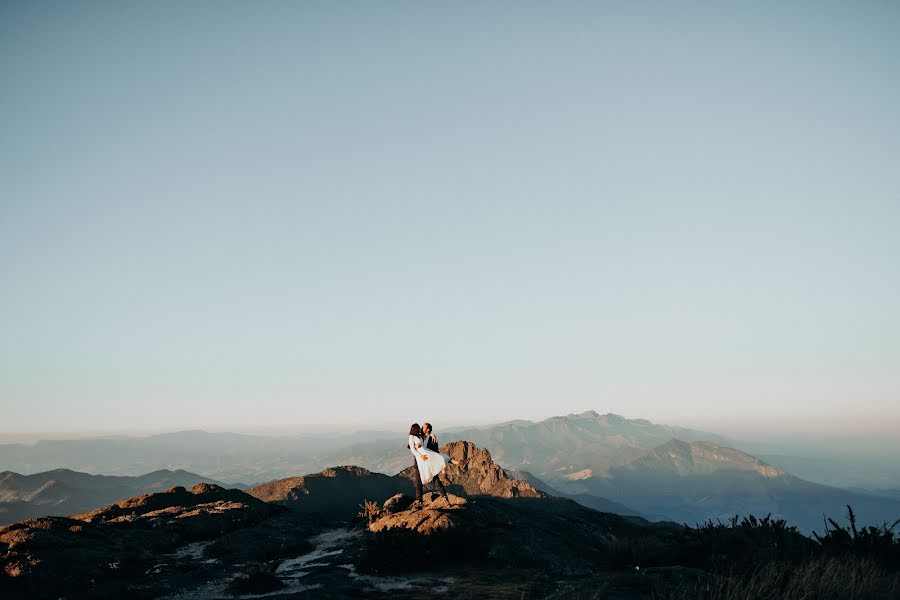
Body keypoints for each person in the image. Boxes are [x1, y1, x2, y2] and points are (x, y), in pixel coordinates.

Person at [408, 422, 449, 503]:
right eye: (422, 428)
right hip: (419, 462)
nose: (421, 429)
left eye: (423, 428)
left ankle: (444, 497)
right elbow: (410, 445)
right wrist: (416, 446)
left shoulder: (433, 440)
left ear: (428, 429)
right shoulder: (419, 436)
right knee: (418, 483)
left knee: (436, 480)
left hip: (430, 462)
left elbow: (436, 451)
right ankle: (419, 501)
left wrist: (432, 435)